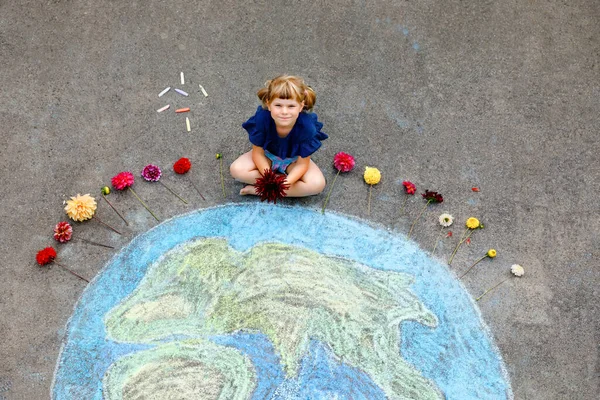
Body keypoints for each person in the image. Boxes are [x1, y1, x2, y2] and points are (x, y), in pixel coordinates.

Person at [230, 75, 328, 197]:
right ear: (269, 104)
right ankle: (270, 187)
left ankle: (261, 190)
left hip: (293, 161)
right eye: (278, 105)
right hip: (267, 156)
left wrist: (286, 183)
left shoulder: (307, 128)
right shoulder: (262, 119)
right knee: (236, 169)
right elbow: (258, 153)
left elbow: (302, 164)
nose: (284, 112)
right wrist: (268, 177)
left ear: (301, 106)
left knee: (317, 184)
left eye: (291, 106)